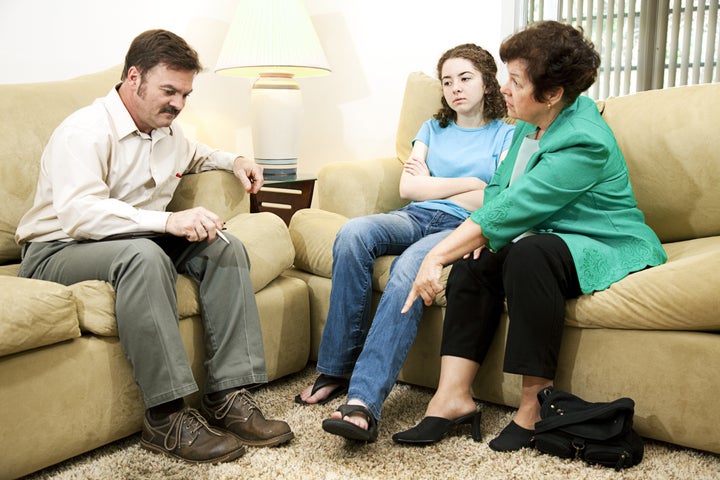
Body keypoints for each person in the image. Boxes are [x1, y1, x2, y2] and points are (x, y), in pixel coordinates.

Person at [15, 29, 294, 464]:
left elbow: (197, 153)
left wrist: (234, 160)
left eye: (185, 93)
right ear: (133, 78)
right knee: (143, 255)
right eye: (169, 91)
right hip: (57, 249)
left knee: (224, 246)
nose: (178, 104)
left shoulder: (167, 131)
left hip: (132, 238)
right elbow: (80, 215)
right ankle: (165, 418)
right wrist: (169, 221)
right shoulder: (84, 131)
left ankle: (227, 395)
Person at [393, 21, 667, 450]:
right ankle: (452, 399)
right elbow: (500, 192)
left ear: (553, 93)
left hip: (603, 240)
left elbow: (518, 208)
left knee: (527, 254)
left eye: (516, 81)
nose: (503, 89)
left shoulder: (584, 139)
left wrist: (435, 256)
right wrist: (465, 247)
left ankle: (533, 406)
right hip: (547, 233)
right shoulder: (527, 122)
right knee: (477, 259)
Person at [295, 43, 515, 442]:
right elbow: (408, 186)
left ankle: (362, 402)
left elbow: (495, 199)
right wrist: (470, 182)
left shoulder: (506, 134)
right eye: (447, 81)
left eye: (465, 78)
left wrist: (436, 185)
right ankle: (334, 368)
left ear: (487, 82)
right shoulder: (433, 128)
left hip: (459, 229)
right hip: (413, 216)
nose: (455, 88)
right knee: (352, 233)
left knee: (405, 272)